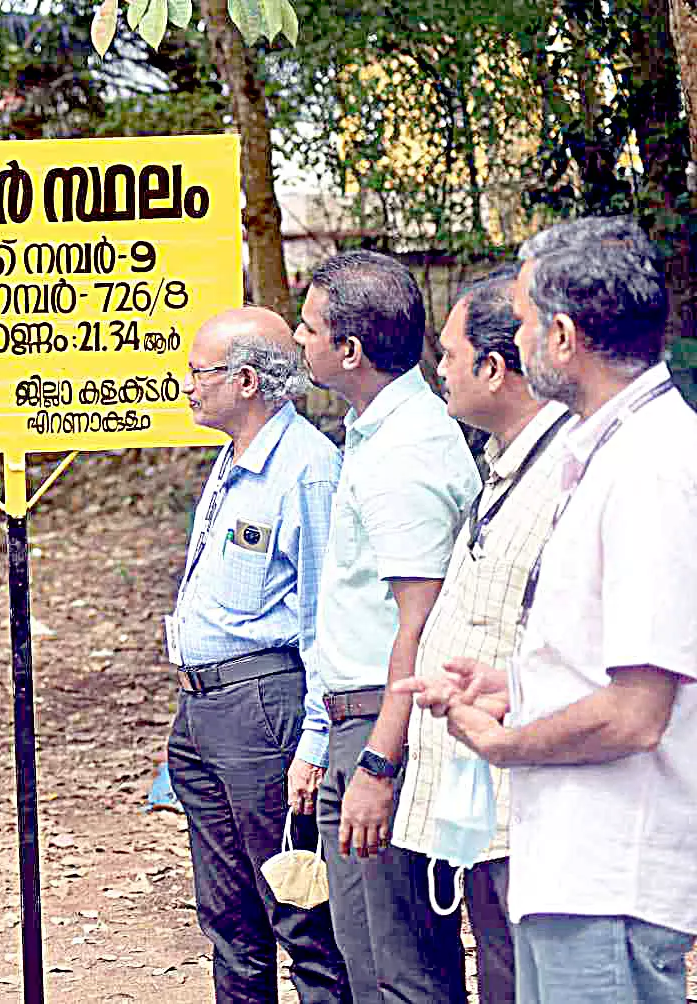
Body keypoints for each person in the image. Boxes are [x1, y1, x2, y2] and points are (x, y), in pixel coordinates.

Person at [405, 219, 697, 1004]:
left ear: (563, 337)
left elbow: (637, 713)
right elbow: (617, 662)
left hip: (610, 878)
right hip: (571, 869)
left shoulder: (650, 466)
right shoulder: (610, 451)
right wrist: (515, 684)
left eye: (529, 322)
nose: (523, 340)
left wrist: (507, 743)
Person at [289, 250, 480, 1004]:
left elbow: (420, 624)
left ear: (350, 351)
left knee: (406, 974)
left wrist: (377, 765)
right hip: (350, 723)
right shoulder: (372, 434)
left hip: (383, 726)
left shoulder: (405, 451)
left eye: (309, 329)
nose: (299, 344)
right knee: (366, 967)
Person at [389, 268, 571, 1004]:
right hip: (484, 804)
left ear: (495, 369)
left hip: (534, 801)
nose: (439, 373)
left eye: (451, 357)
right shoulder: (502, 468)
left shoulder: (570, 474)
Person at [163, 308, 350, 1004]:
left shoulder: (307, 471)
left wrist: (314, 741)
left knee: (300, 915)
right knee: (228, 919)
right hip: (204, 711)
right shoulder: (234, 459)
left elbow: (324, 622)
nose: (186, 385)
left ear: (244, 381)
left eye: (198, 372)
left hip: (263, 711)